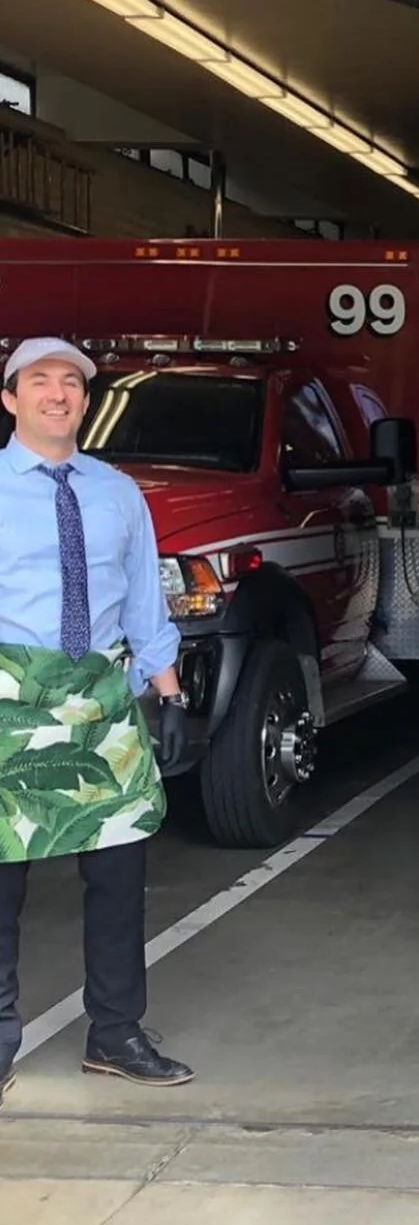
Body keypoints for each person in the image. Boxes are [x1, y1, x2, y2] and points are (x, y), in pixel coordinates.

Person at [0, 337, 193, 1108]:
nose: (58, 393)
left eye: (72, 382)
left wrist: (167, 693)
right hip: (8, 698)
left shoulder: (118, 492)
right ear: (10, 399)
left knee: (119, 875)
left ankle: (115, 1033)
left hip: (103, 700)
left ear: (86, 400)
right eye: (39, 381)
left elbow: (145, 600)